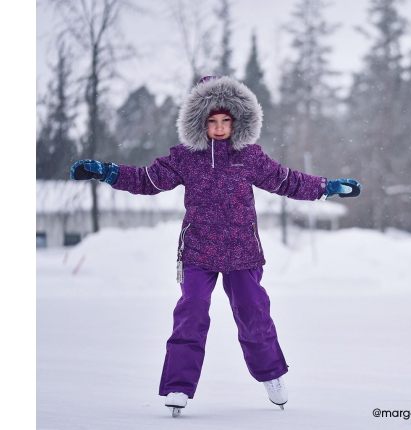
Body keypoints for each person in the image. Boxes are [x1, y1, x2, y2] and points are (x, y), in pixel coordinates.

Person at [70, 75, 361, 418]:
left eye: (226, 120)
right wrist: (107, 172)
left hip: (242, 250)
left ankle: (271, 376)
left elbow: (287, 181)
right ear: (199, 122)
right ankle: (179, 384)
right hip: (198, 250)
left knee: (253, 312)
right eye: (212, 121)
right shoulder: (184, 158)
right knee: (191, 310)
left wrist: (328, 187)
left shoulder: (249, 156)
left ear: (238, 121)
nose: (220, 128)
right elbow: (147, 180)